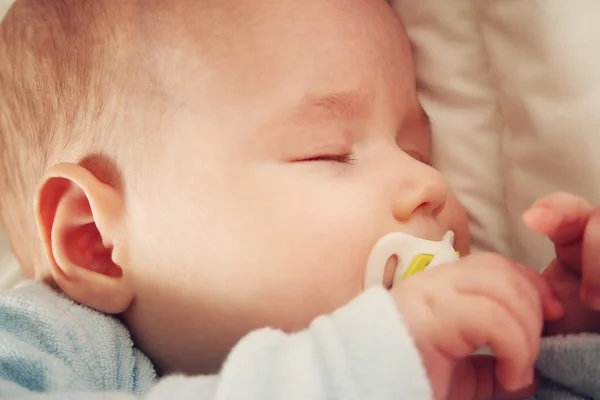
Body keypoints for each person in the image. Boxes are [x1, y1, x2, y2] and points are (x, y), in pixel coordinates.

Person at [0, 0, 595, 399]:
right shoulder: (46, 351)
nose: (431, 186)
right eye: (330, 153)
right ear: (94, 241)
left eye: (418, 152)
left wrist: (562, 346)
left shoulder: (449, 351)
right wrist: (361, 365)